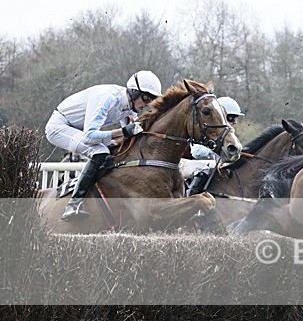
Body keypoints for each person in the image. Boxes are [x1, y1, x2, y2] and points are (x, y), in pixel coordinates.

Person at [45, 70, 163, 220]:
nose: (146, 104)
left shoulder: (128, 106)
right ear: (133, 92)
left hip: (78, 128)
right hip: (59, 127)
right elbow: (89, 136)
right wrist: (123, 131)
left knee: (113, 150)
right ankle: (73, 204)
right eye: (146, 98)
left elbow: (132, 132)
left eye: (151, 100)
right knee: (99, 152)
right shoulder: (108, 98)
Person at [184, 96, 244, 196]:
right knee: (206, 168)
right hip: (185, 164)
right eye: (231, 118)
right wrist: (218, 153)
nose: (235, 122)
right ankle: (190, 197)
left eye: (236, 118)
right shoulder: (205, 129)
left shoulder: (228, 135)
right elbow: (196, 152)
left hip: (204, 165)